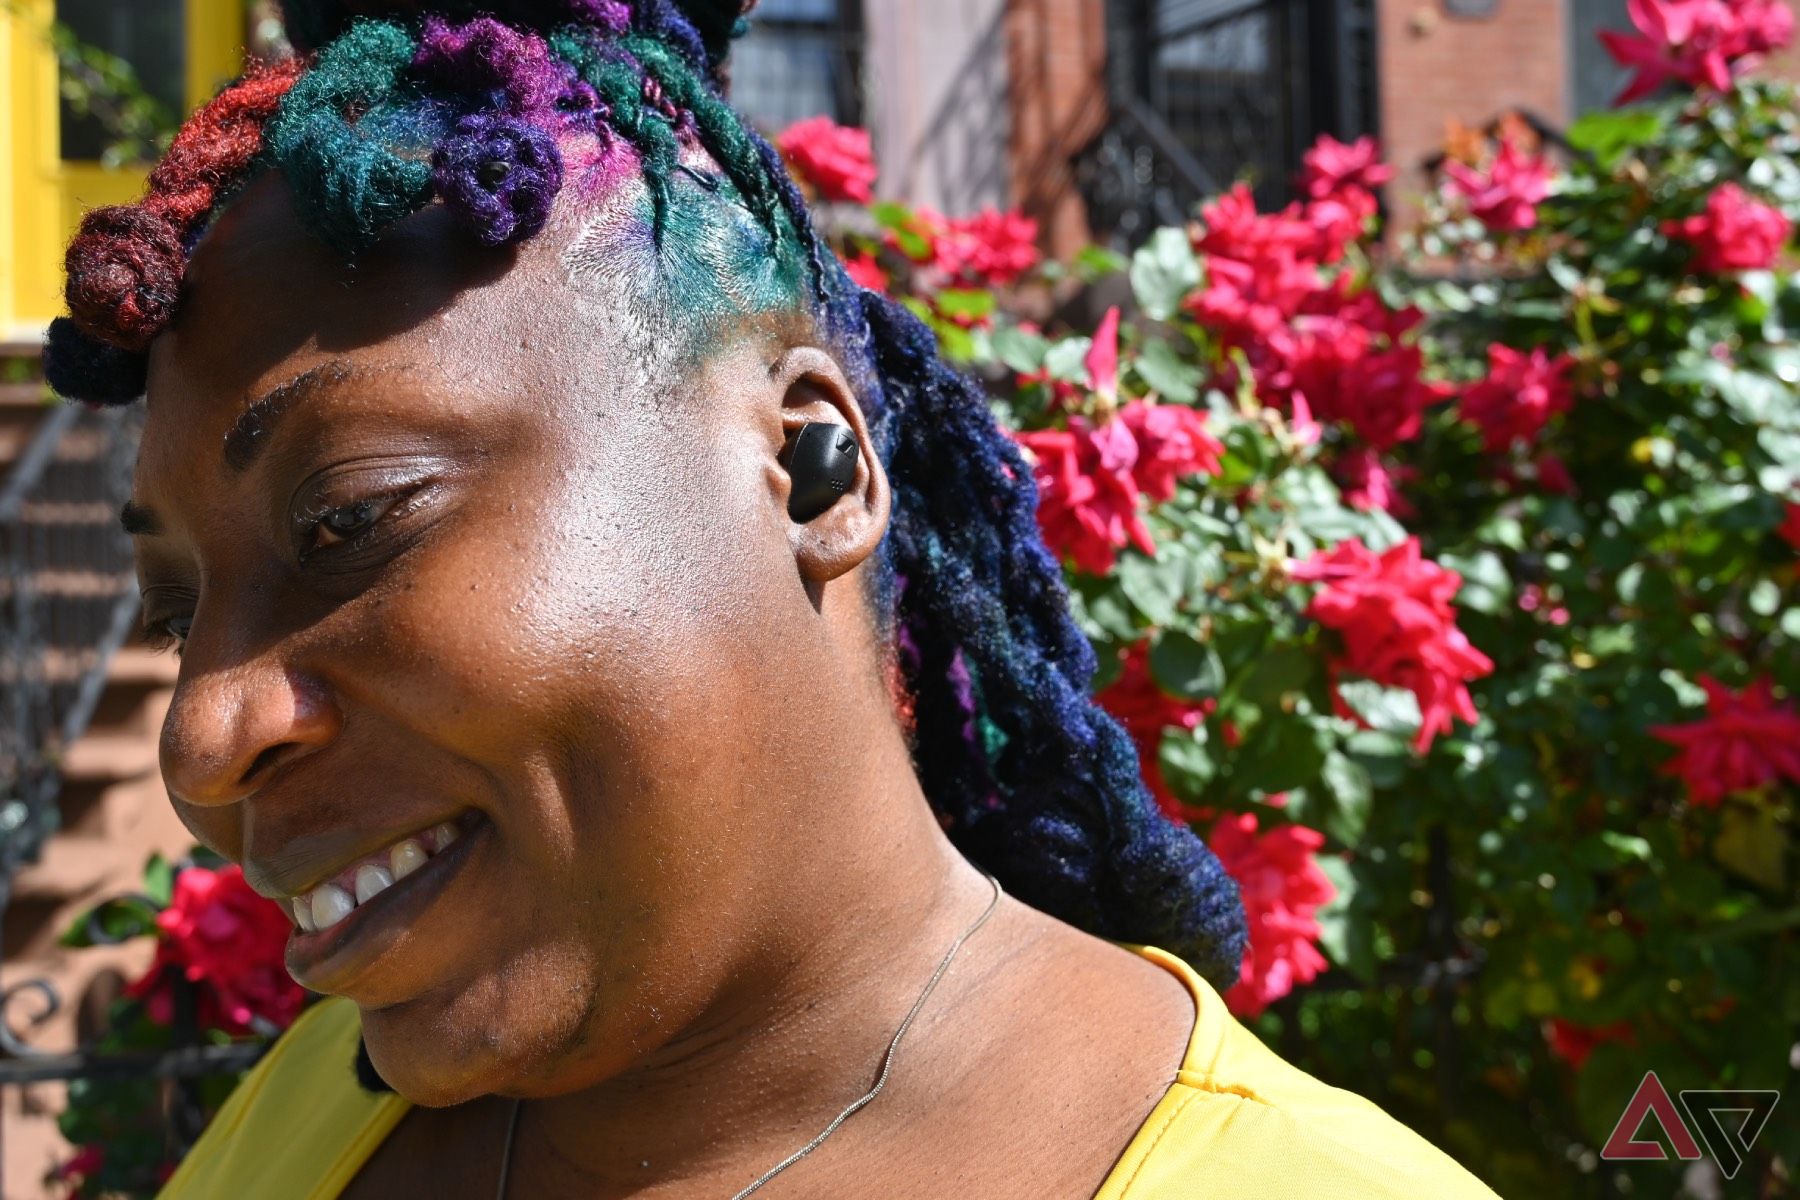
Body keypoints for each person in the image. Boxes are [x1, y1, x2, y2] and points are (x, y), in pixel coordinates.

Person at [47, 2, 1502, 1196]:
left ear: (812, 472)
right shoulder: (318, 1118)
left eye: (350, 520)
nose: (202, 737)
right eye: (182, 613)